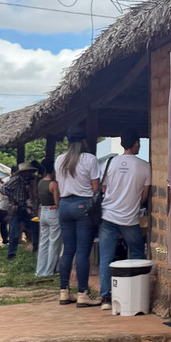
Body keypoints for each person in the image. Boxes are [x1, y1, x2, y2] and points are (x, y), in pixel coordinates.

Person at [97, 133, 151, 309]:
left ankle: (105, 297)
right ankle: (135, 293)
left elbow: (103, 188)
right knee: (136, 254)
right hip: (129, 218)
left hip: (108, 216)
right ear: (135, 143)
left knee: (106, 257)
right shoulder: (144, 166)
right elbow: (144, 196)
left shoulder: (109, 163)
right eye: (139, 143)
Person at [55, 128, 102, 307]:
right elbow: (95, 188)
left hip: (64, 205)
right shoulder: (89, 159)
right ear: (84, 142)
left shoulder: (59, 160)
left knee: (68, 250)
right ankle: (83, 292)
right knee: (83, 252)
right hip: (83, 205)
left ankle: (64, 291)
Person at [2, 161, 40, 260]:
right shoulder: (15, 180)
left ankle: (36, 249)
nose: (30, 174)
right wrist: (12, 199)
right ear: (23, 172)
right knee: (14, 232)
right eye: (28, 172)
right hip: (16, 208)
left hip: (25, 208)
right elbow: (3, 188)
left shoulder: (29, 181)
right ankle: (11, 255)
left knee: (35, 227)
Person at [34, 161, 61, 277]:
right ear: (53, 171)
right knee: (53, 243)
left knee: (43, 242)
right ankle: (49, 271)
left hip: (43, 212)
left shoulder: (40, 182)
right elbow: (57, 202)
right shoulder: (53, 184)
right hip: (53, 212)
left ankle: (40, 270)